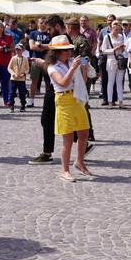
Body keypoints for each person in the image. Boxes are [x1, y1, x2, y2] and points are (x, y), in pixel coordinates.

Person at [46, 35, 92, 182]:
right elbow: (63, 82)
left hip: (76, 97)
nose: (68, 52)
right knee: (68, 137)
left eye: (68, 49)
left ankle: (79, 162)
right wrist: (73, 68)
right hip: (64, 99)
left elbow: (83, 81)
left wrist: (83, 68)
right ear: (56, 53)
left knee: (84, 132)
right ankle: (64, 170)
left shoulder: (72, 61)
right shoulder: (52, 67)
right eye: (64, 50)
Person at [28, 16, 68, 165]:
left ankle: (47, 152)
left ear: (56, 27)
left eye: (50, 29)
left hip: (58, 86)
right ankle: (83, 143)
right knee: (64, 118)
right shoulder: (63, 39)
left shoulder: (61, 40)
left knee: (47, 118)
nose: (48, 32)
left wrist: (41, 63)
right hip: (62, 85)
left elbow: (58, 64)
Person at [100, 20, 127, 108]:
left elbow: (123, 49)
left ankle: (121, 101)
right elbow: (103, 50)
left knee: (119, 82)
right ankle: (110, 101)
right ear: (112, 28)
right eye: (115, 29)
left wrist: (122, 48)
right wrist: (114, 49)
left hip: (120, 60)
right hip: (111, 61)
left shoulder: (120, 36)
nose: (117, 31)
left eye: (118, 29)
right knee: (110, 82)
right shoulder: (107, 37)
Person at [27, 17, 50, 107]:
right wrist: (45, 46)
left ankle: (49, 101)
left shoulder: (49, 34)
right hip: (35, 59)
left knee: (48, 81)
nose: (43, 24)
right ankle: (31, 100)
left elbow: (52, 46)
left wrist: (40, 45)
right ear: (38, 23)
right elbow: (32, 46)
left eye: (44, 23)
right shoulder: (33, 33)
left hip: (47, 60)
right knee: (34, 81)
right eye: (41, 23)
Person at [98, 14, 117, 105]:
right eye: (108, 20)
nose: (109, 22)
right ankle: (105, 98)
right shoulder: (103, 31)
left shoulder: (118, 31)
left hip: (113, 57)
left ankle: (112, 99)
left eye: (111, 20)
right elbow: (100, 43)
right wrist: (99, 53)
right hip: (104, 56)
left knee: (113, 79)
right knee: (104, 78)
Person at [8, 43, 29, 112]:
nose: (18, 51)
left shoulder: (25, 59)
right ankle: (11, 105)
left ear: (22, 50)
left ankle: (23, 105)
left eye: (19, 50)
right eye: (17, 50)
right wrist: (13, 74)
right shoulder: (13, 58)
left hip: (21, 79)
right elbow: (9, 68)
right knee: (12, 92)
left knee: (22, 93)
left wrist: (24, 74)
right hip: (13, 79)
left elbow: (27, 69)